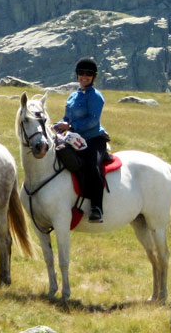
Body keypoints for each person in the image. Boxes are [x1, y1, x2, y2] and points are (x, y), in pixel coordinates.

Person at [54, 58, 110, 222]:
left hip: (94, 140)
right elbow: (66, 117)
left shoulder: (96, 97)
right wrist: (58, 126)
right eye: (81, 73)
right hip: (72, 138)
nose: (84, 76)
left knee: (93, 167)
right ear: (77, 74)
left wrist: (70, 126)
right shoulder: (73, 96)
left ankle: (97, 208)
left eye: (88, 74)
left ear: (93, 77)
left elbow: (93, 121)